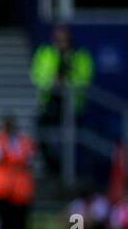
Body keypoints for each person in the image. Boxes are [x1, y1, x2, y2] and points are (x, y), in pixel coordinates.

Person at [31, 24, 94, 178]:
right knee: (41, 132)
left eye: (64, 39)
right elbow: (36, 75)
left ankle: (71, 171)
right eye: (58, 39)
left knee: (71, 139)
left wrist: (67, 84)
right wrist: (50, 83)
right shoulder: (45, 53)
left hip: (71, 105)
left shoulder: (80, 55)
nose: (61, 42)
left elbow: (85, 78)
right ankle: (53, 167)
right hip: (49, 102)